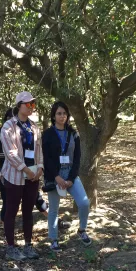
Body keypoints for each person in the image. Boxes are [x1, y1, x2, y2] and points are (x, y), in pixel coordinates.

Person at [0, 108, 71, 228]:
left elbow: (35, 150)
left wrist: (32, 162)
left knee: (36, 197)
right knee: (8, 201)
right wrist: (11, 155)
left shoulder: (26, 131)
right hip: (6, 171)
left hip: (28, 170)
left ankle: (55, 220)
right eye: (10, 118)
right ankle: (6, 228)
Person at [42, 101, 92, 251]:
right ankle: (53, 238)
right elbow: (46, 158)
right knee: (54, 209)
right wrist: (56, 177)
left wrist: (70, 178)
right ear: (53, 115)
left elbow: (77, 157)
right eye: (59, 113)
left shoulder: (73, 133)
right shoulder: (48, 134)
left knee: (84, 203)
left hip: (70, 173)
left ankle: (82, 230)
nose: (62, 116)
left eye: (64, 113)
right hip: (54, 175)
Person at [0, 92, 43, 261]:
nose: (31, 107)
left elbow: (39, 149)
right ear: (19, 106)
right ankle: (10, 247)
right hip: (15, 176)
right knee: (11, 210)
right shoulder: (8, 127)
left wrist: (39, 167)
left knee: (28, 211)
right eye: (28, 104)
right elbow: (10, 153)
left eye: (33, 104)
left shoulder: (34, 126)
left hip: (33, 176)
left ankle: (28, 245)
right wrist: (25, 169)